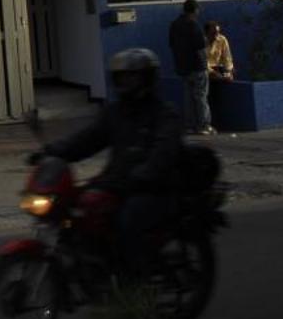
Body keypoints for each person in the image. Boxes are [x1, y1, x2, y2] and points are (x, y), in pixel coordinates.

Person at [44, 46, 185, 276]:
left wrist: (144, 173)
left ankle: (134, 282)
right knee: (78, 207)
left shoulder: (163, 114)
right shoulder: (116, 113)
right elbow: (88, 139)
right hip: (118, 183)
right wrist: (52, 151)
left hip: (154, 188)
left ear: (147, 78)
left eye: (132, 76)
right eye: (122, 77)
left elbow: (164, 152)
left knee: (128, 221)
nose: (126, 82)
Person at [168, 0, 211, 136]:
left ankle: (189, 125)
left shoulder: (175, 25)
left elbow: (172, 45)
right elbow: (200, 48)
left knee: (188, 97)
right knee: (200, 96)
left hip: (183, 67)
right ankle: (203, 125)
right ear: (195, 10)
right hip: (197, 67)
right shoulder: (194, 25)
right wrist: (205, 65)